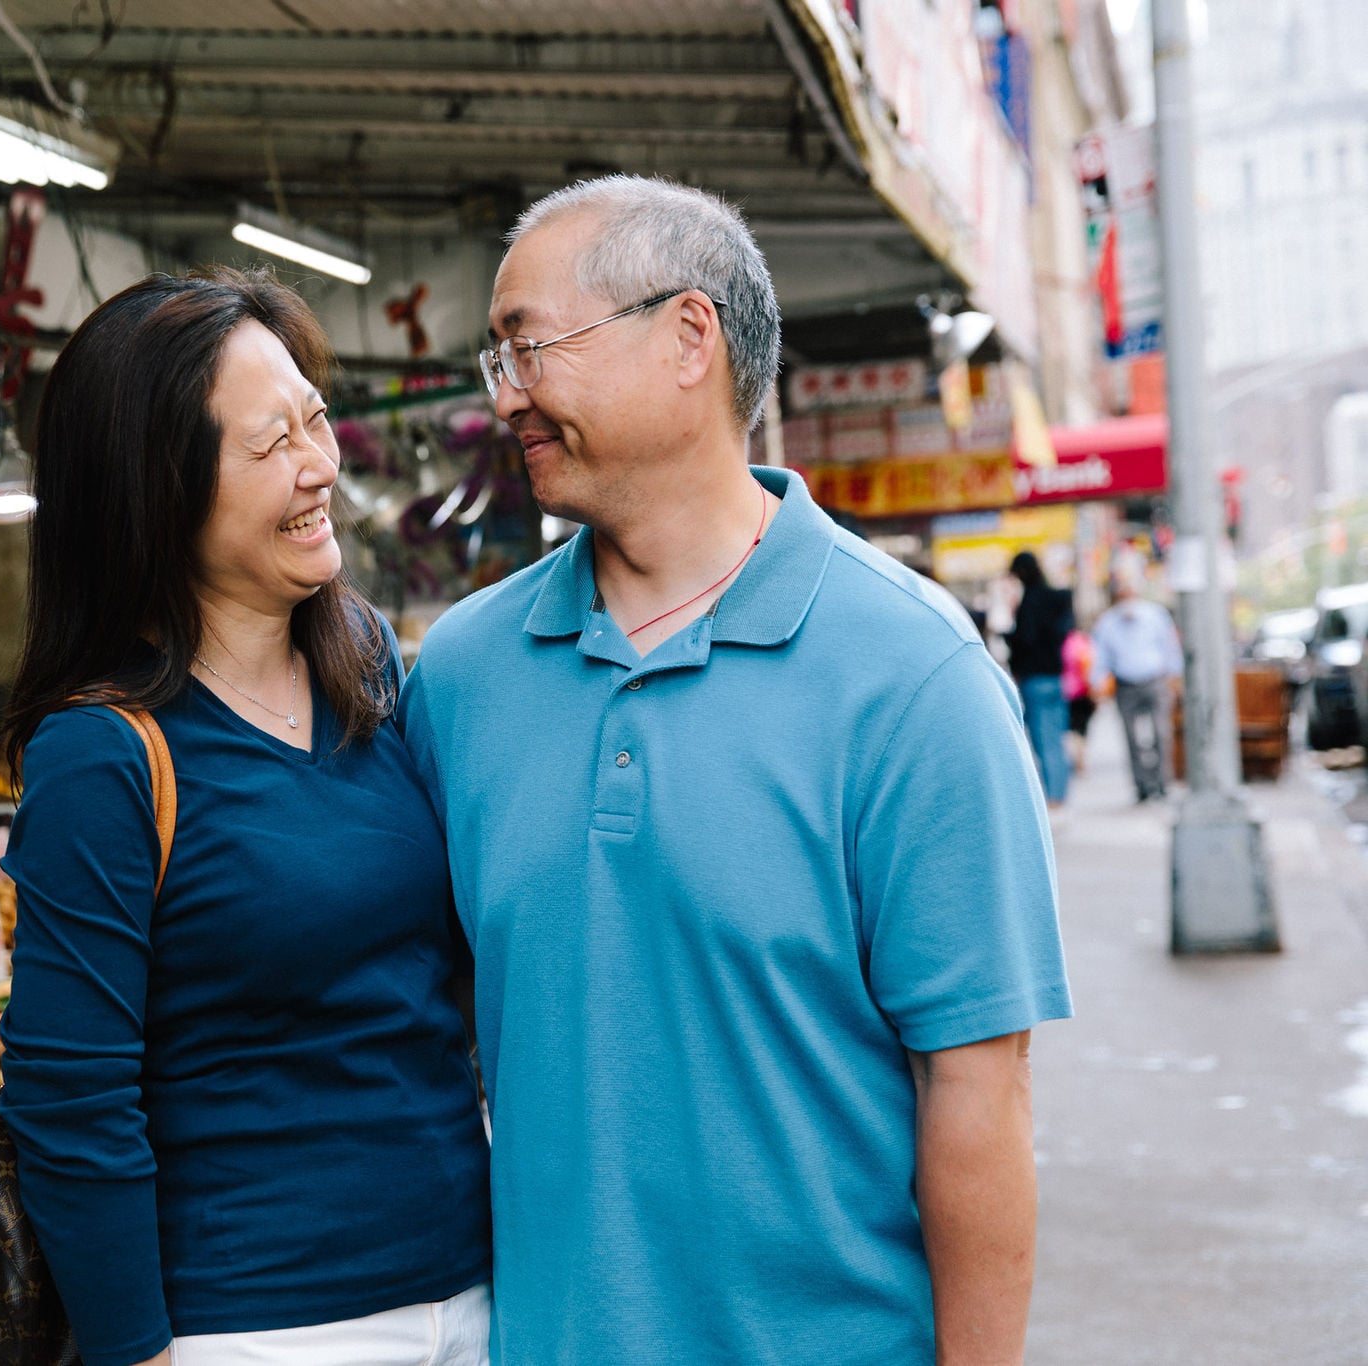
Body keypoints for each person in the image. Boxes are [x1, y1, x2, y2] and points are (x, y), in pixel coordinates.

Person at [401, 175, 1071, 1365]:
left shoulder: (911, 677)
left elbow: (975, 1094)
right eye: (497, 359)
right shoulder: (459, 678)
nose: (509, 396)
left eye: (532, 347)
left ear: (687, 337)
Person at [0, 269, 491, 1366]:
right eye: (272, 445)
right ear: (156, 488)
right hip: (257, 1326)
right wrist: (140, 1351)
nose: (320, 468)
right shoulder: (106, 755)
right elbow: (69, 1099)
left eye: (316, 421)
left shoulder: (368, 668)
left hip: (468, 1290)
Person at [1091, 574, 1184, 802]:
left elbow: (1169, 648)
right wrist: (1097, 682)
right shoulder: (1107, 623)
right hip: (1125, 685)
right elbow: (1100, 656)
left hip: (1154, 681)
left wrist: (1175, 677)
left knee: (1161, 734)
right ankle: (1141, 785)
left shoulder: (1156, 616)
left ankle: (1162, 784)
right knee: (1132, 738)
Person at [1004, 550, 1075, 807]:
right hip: (1056, 677)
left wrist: (1009, 635)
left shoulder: (1030, 603)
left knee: (1043, 739)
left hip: (1035, 679)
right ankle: (1060, 791)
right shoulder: (1057, 599)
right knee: (1055, 737)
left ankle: (1054, 796)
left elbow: (1025, 639)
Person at [1063, 625, 1098, 775]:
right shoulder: (1084, 642)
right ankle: (1081, 758)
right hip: (1084, 690)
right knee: (1082, 727)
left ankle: (1078, 758)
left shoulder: (1064, 643)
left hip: (1068, 691)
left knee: (1073, 727)